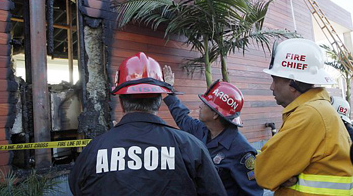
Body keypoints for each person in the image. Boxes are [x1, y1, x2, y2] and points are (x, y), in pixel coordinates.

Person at [68, 52, 226, 196]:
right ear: (158, 102)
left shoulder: (94, 150)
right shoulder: (191, 147)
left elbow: (76, 188)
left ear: (122, 101)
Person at [255, 38, 353, 195]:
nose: (271, 87)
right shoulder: (318, 110)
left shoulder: (310, 114)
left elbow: (264, 174)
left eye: (275, 79)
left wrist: (281, 176)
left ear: (293, 84)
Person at [163, 66, 263, 196]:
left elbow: (252, 193)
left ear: (215, 114)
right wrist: (170, 91)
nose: (200, 106)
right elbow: (182, 118)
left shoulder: (241, 151)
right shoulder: (203, 130)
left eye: (205, 104)